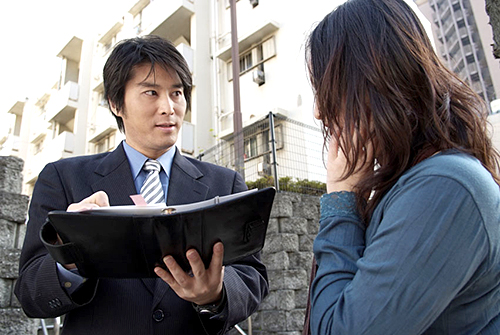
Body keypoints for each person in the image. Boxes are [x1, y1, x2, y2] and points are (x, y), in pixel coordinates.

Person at [15, 35, 268, 335]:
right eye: (151, 92)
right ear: (115, 103)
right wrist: (71, 259)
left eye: (177, 93)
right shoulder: (63, 179)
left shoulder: (224, 183)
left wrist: (215, 294)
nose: (168, 107)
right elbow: (30, 292)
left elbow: (253, 276)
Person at [305, 0, 500, 334]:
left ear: (372, 82)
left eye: (327, 89)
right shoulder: (419, 182)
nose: (318, 112)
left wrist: (340, 202)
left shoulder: (444, 188)